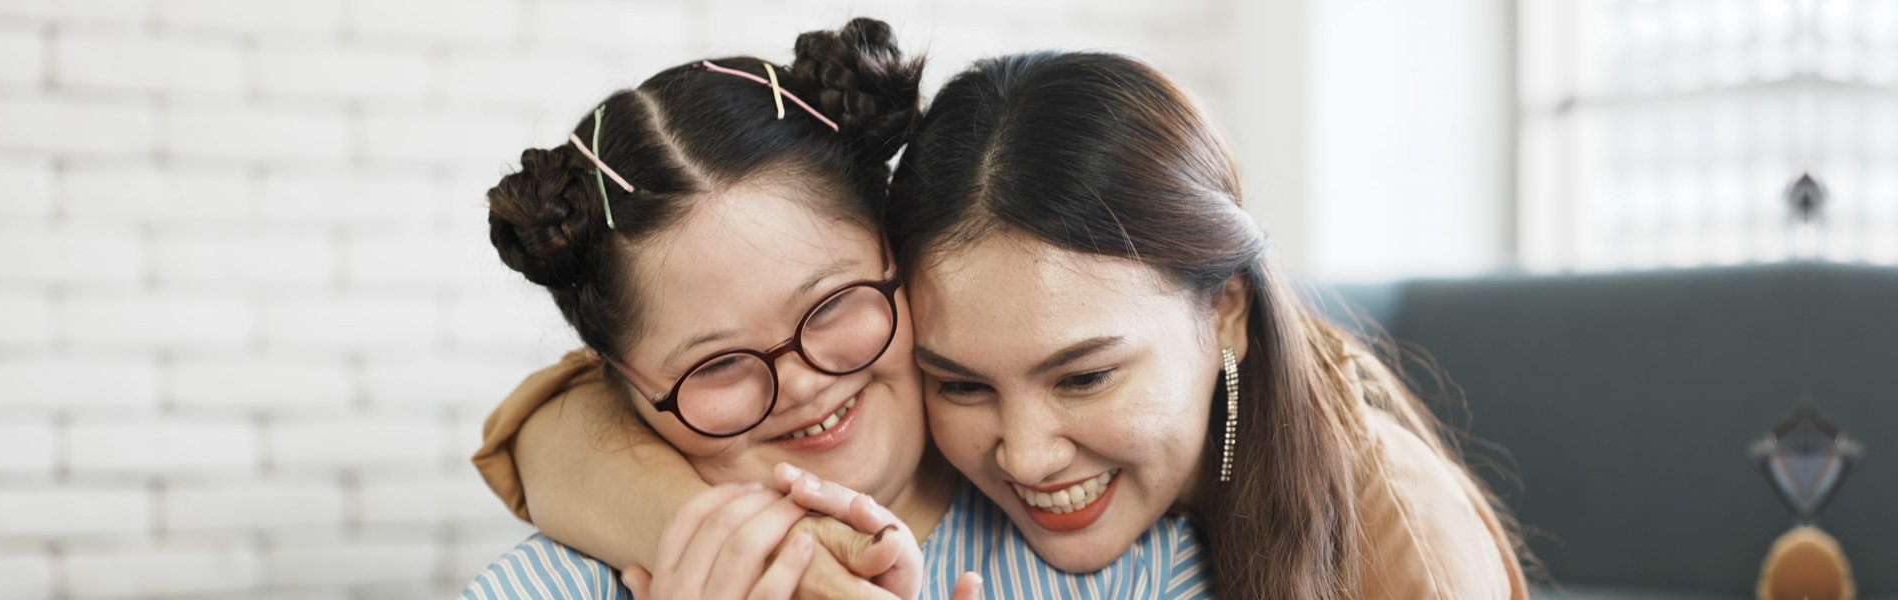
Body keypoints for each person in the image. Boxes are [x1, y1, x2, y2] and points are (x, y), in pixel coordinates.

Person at [474, 46, 1530, 599]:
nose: (1021, 451)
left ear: (1228, 317)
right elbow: (553, 426)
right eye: (964, 382)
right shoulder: (570, 558)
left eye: (1084, 376)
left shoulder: (1369, 549)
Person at [460, 19, 1209, 600]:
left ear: (902, 259)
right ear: (621, 384)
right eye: (718, 364)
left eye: (830, 306)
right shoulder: (552, 583)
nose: (803, 383)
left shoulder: (1150, 563)